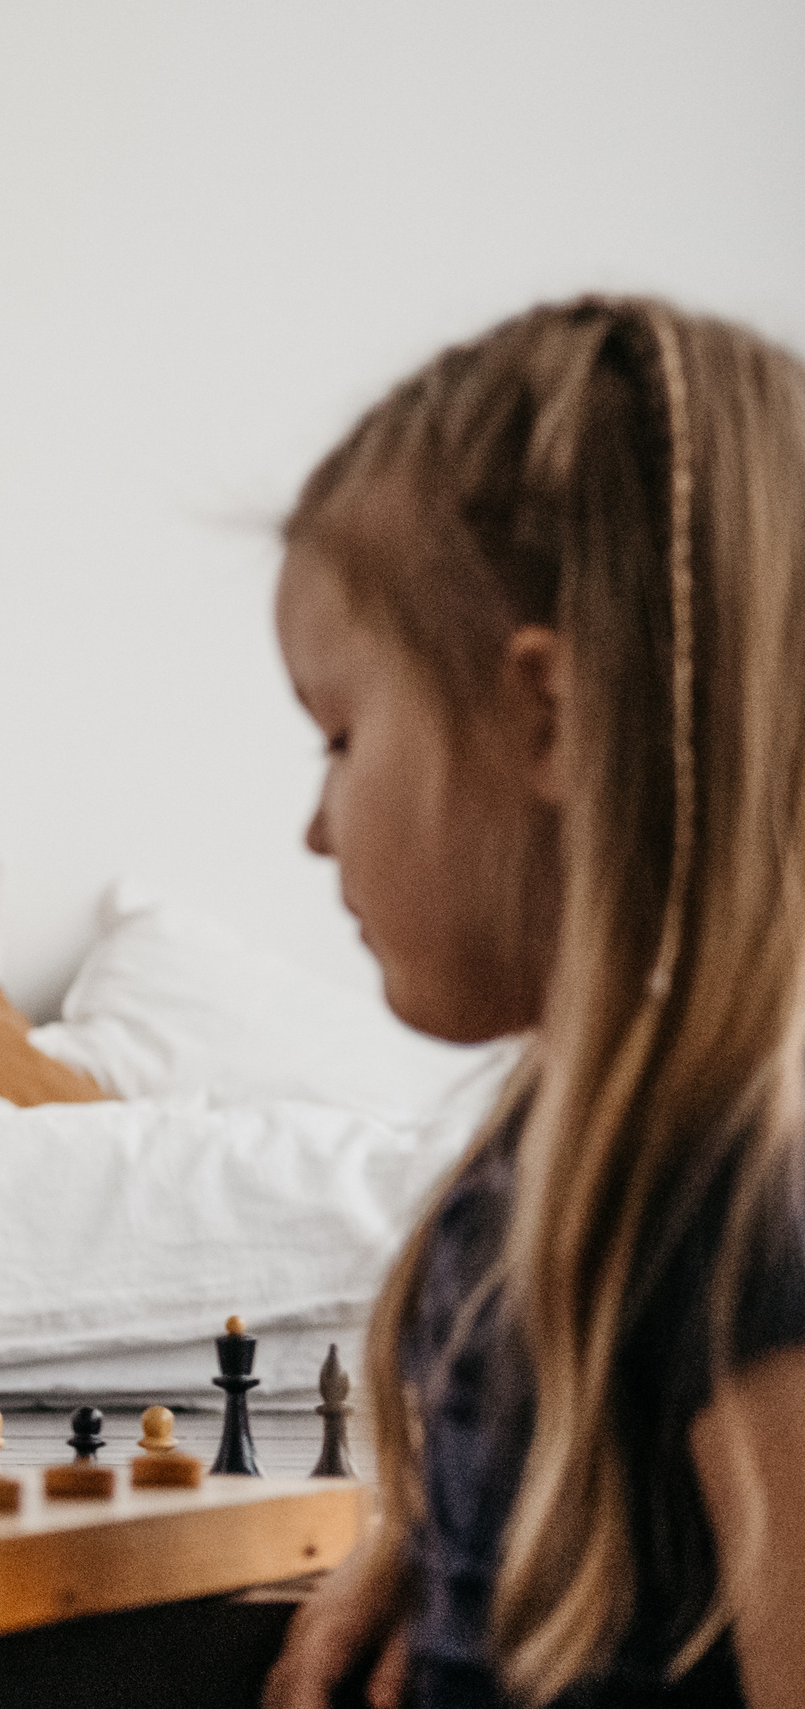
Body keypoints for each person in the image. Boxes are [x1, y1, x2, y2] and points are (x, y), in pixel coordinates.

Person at [259, 299, 805, 1709]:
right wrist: (428, 1551)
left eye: (340, 735)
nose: (315, 829)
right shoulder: (551, 1168)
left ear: (545, 716)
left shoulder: (745, 1207)